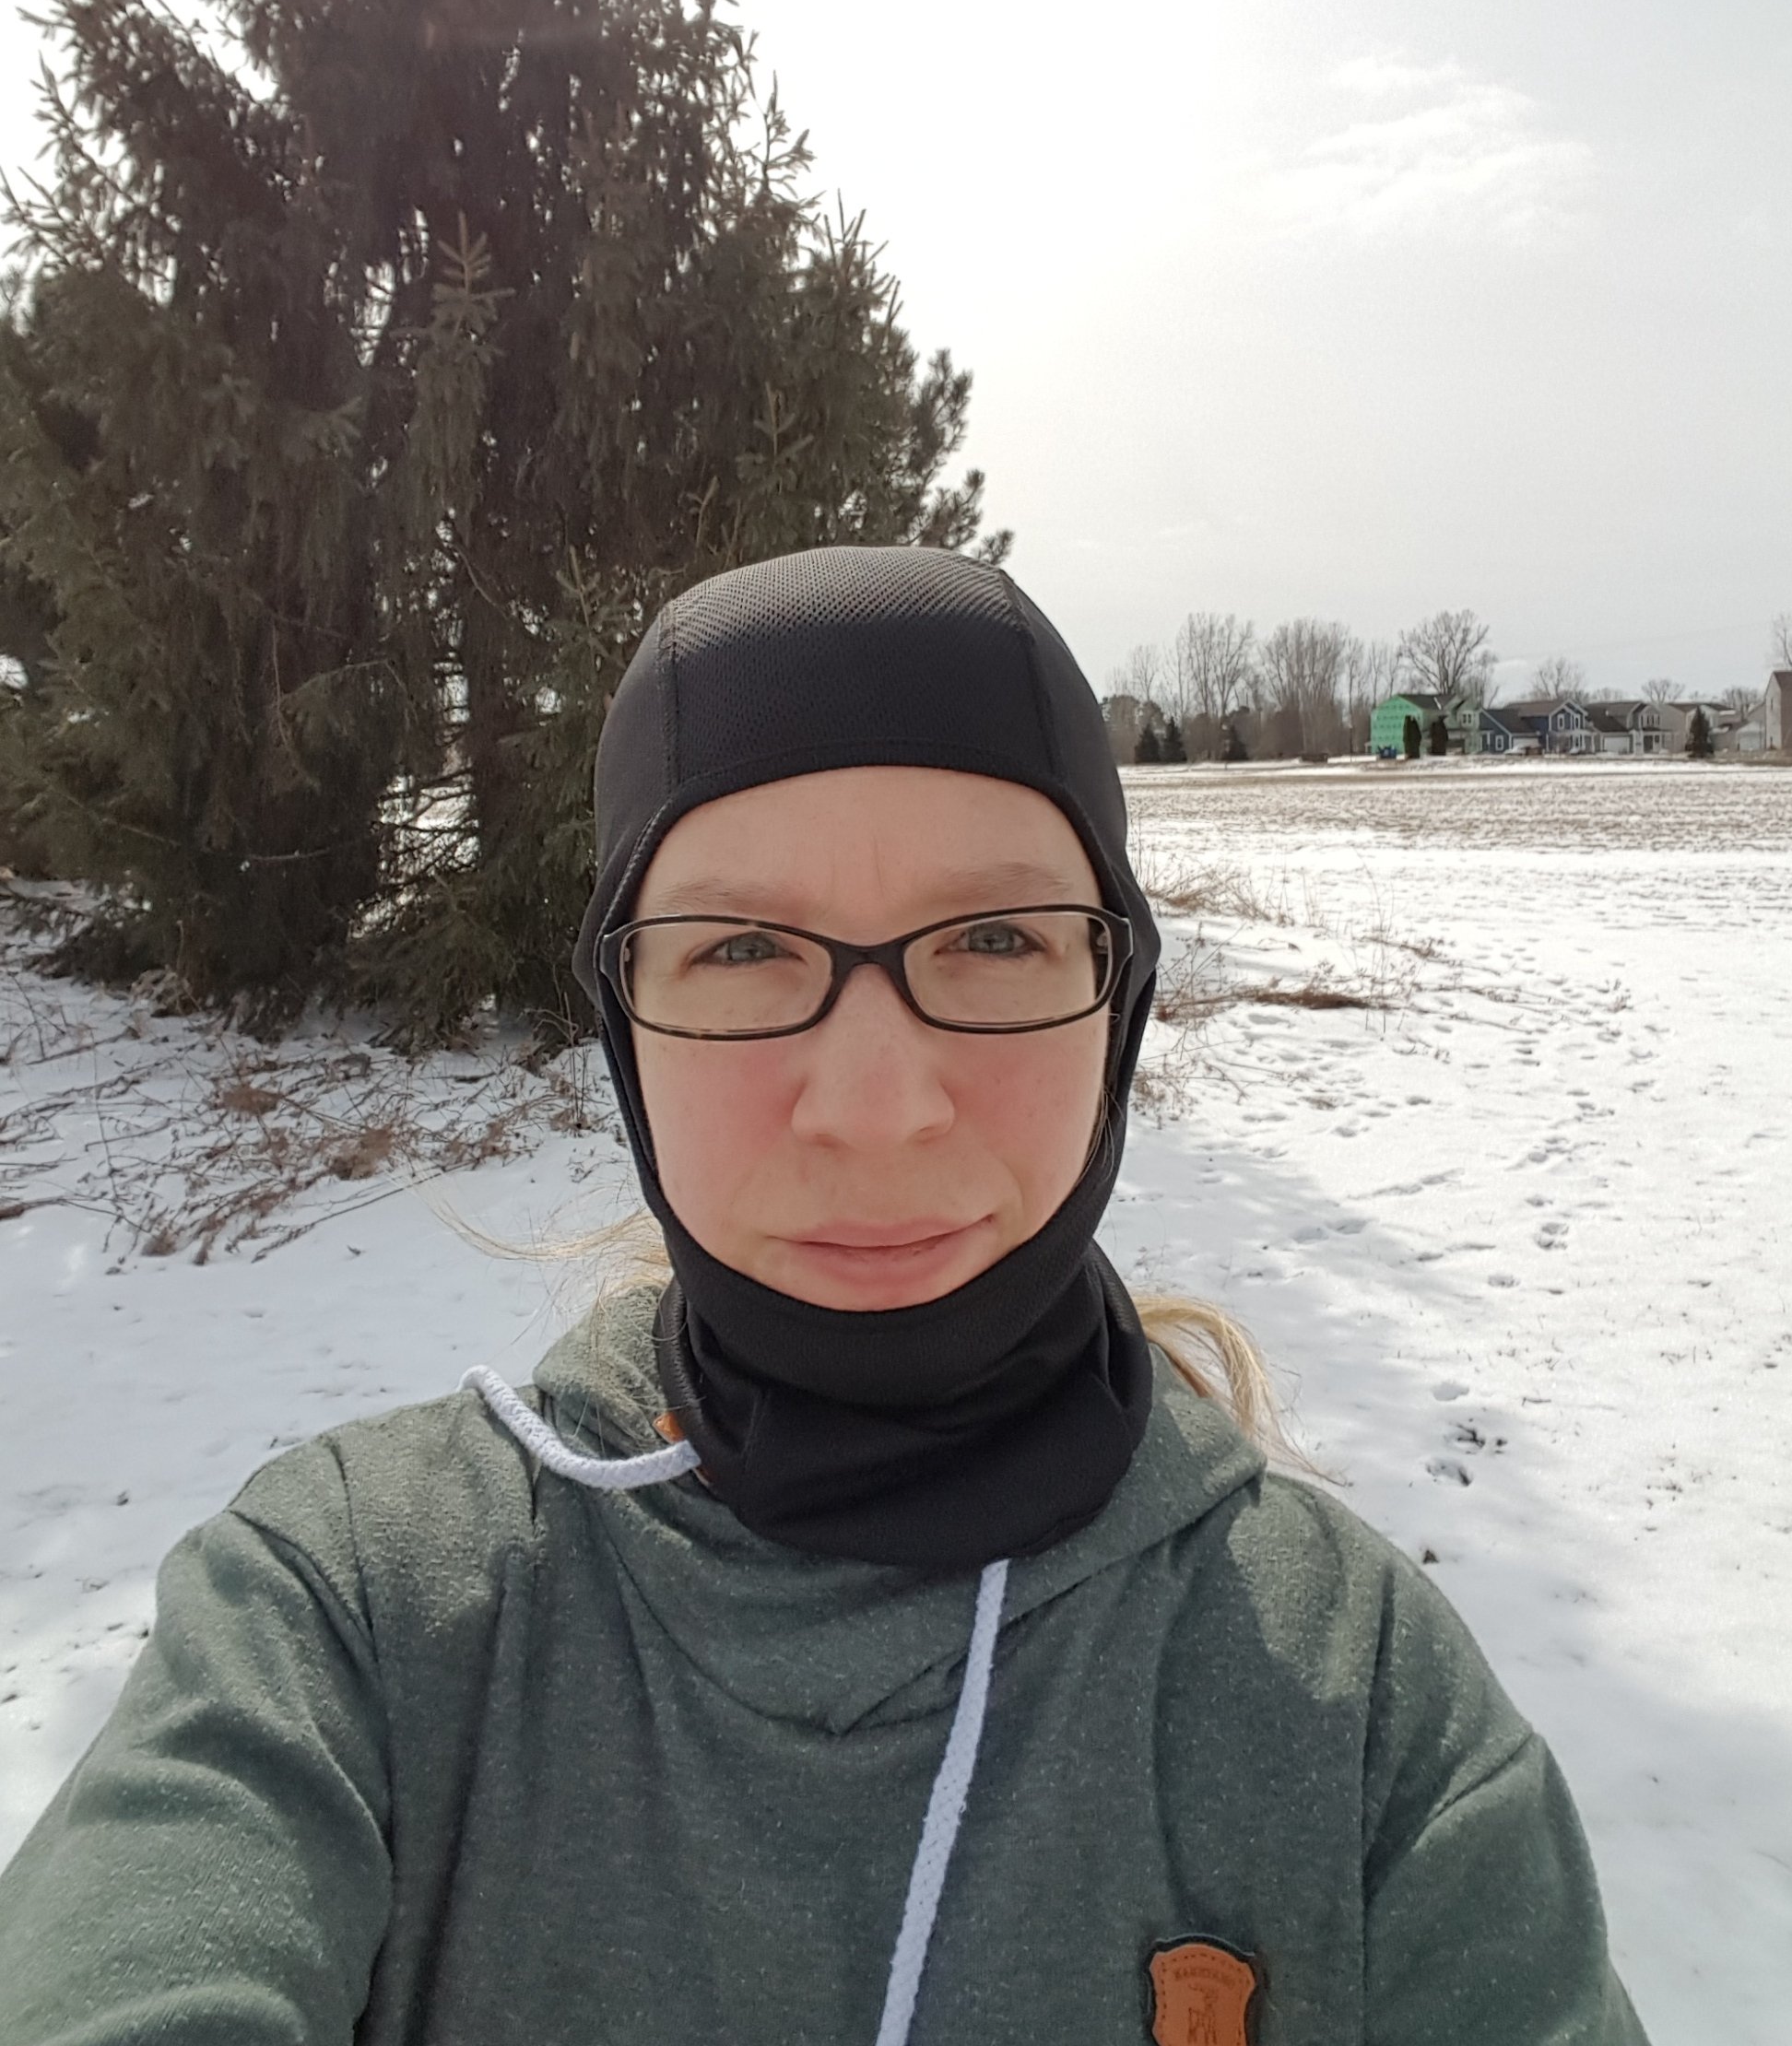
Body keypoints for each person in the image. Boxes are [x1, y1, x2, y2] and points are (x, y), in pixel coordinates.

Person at [0, 546, 1647, 2045]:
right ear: (625, 1028)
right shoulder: (351, 1616)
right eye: (739, 952)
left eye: (995, 937)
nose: (876, 1105)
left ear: (1117, 1005)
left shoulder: (1353, 1699)